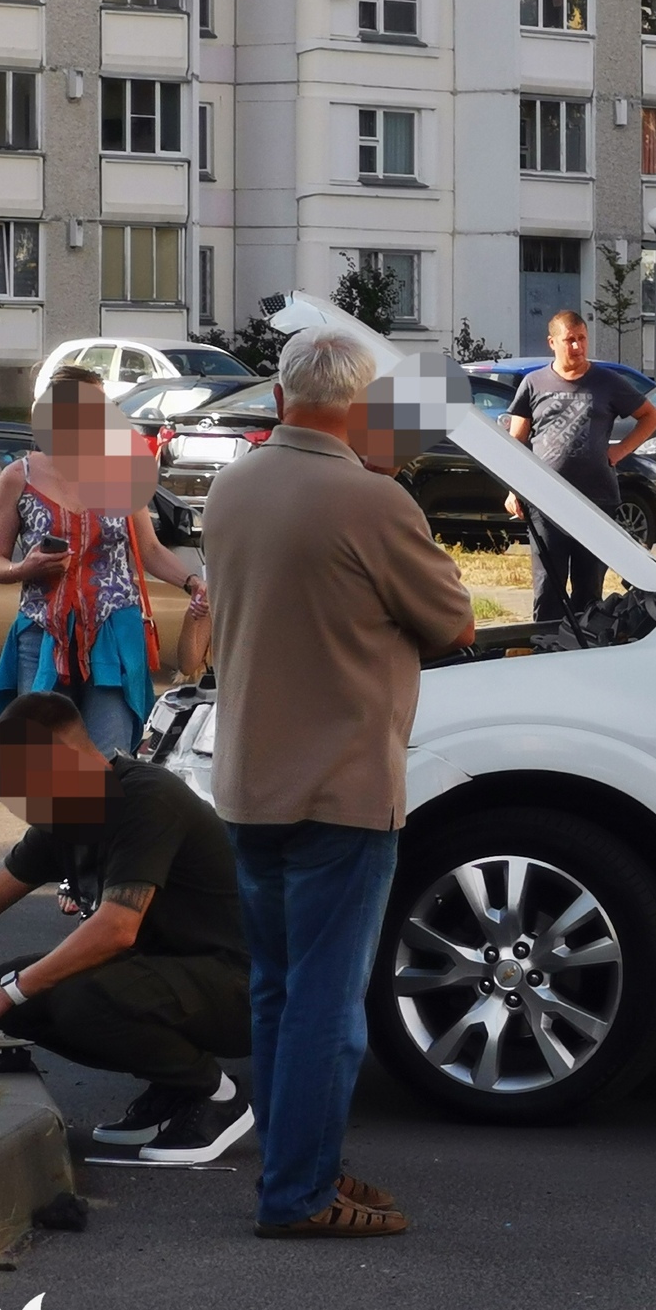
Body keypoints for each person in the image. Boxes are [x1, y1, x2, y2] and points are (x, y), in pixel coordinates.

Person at [205, 325, 477, 1239]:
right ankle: (300, 1193)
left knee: (277, 994)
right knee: (329, 1005)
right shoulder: (375, 501)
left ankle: (296, 1171)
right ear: (358, 406)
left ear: (284, 395)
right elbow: (452, 622)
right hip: (343, 788)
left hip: (248, 778)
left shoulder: (231, 487)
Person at [0, 692, 255, 1163]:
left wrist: (9, 995)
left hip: (243, 986)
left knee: (70, 997)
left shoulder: (145, 800)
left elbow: (116, 929)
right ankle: (174, 1087)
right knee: (9, 987)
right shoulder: (67, 813)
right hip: (174, 978)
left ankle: (217, 1097)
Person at [0, 365, 204, 756]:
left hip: (113, 633)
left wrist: (192, 582)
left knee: (111, 761)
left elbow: (150, 550)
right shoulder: (19, 476)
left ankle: (109, 819)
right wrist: (25, 569)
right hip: (43, 634)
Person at [502, 310, 656, 622]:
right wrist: (513, 489)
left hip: (597, 500)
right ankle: (544, 650)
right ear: (552, 343)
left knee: (589, 591)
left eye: (582, 339)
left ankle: (584, 651)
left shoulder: (607, 382)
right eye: (569, 340)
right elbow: (515, 442)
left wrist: (620, 451)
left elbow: (651, 417)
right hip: (545, 501)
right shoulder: (533, 383)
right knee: (549, 587)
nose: (576, 346)